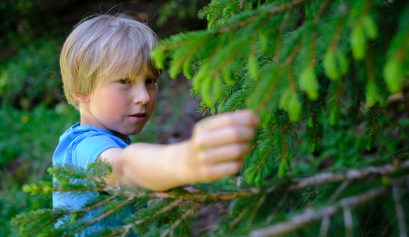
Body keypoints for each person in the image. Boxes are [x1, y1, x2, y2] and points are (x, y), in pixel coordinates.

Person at [53, 13, 259, 234]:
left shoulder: (111, 141)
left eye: (150, 81)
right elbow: (123, 169)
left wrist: (160, 198)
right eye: (124, 81)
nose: (144, 96)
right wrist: (184, 160)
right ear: (82, 92)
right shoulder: (84, 146)